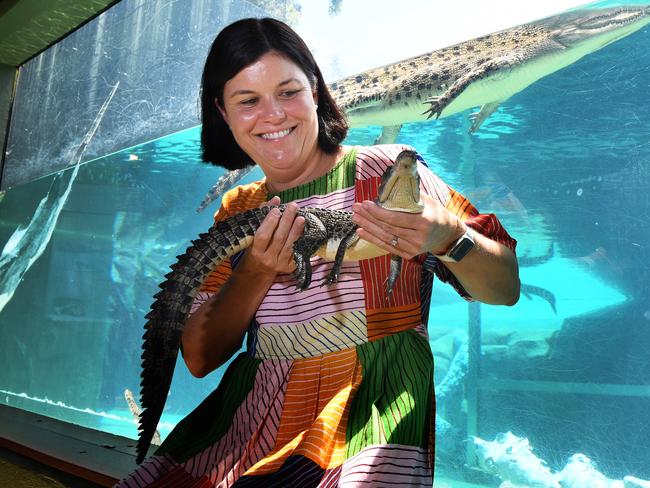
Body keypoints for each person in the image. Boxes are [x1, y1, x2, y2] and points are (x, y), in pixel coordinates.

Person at [117, 17, 519, 488]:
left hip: (371, 413)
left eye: (288, 92)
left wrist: (449, 236)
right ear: (224, 114)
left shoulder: (389, 169)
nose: (272, 115)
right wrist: (259, 270)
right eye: (248, 101)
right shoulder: (238, 207)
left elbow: (505, 288)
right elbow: (201, 358)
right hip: (250, 418)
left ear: (316, 92)